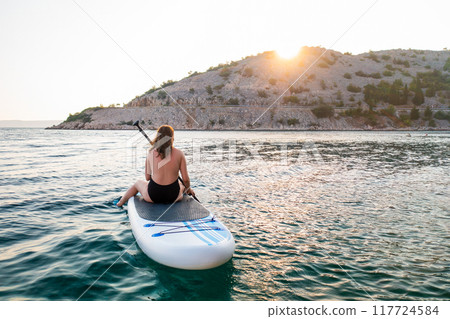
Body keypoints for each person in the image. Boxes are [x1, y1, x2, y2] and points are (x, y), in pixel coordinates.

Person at [116, 125, 195, 207]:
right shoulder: (179, 153)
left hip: (153, 196)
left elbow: (147, 177)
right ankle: (188, 191)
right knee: (181, 184)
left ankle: (120, 203)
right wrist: (188, 189)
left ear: (158, 137)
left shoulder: (150, 153)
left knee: (137, 183)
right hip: (173, 197)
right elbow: (185, 179)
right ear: (172, 137)